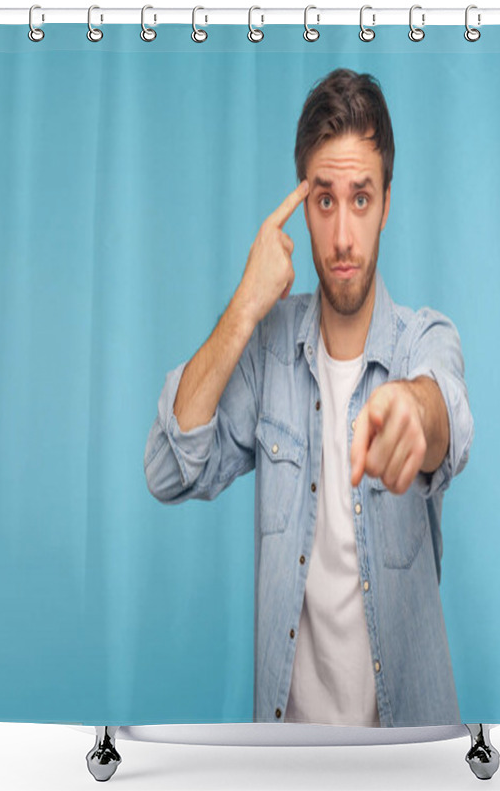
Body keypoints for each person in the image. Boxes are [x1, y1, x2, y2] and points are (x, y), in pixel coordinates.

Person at [144, 68, 474, 728]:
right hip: (288, 752)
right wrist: (245, 305)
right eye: (325, 201)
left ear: (387, 205)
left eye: (361, 199)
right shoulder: (267, 352)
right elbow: (167, 468)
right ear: (302, 206)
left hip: (405, 753)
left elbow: (447, 417)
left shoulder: (422, 342)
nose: (344, 236)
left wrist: (414, 410)